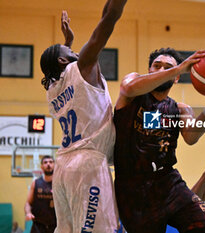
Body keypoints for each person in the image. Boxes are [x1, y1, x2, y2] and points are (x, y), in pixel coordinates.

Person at [113, 47, 205, 233]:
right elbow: (128, 87)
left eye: (168, 67)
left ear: (176, 79)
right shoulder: (133, 88)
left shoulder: (180, 109)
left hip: (169, 184)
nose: (162, 70)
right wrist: (178, 67)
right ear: (150, 71)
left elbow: (191, 137)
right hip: (132, 189)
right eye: (157, 66)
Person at [39, 0, 127, 232]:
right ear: (62, 60)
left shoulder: (52, 90)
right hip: (87, 164)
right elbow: (107, 20)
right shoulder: (83, 66)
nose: (77, 52)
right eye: (70, 51)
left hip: (63, 168)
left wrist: (67, 43)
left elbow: (62, 70)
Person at [24, 156, 56, 233]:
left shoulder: (59, 184)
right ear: (41, 166)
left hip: (55, 226)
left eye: (51, 162)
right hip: (38, 226)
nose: (48, 164)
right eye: (45, 162)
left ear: (55, 165)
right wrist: (28, 213)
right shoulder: (36, 183)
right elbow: (28, 203)